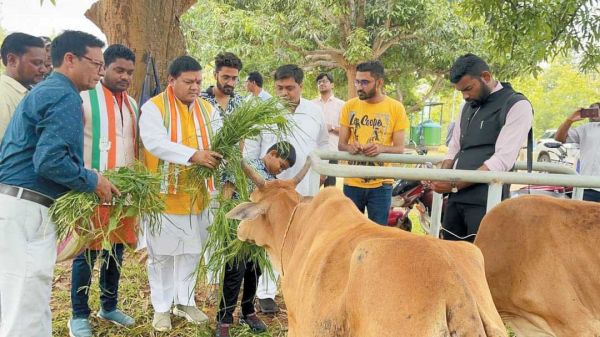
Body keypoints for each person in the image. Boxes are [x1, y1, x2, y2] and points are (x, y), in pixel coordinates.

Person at [0, 30, 115, 337]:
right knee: (23, 303)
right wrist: (93, 180)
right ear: (70, 59)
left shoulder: (45, 91)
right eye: (96, 63)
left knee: (26, 299)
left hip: (16, 205)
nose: (100, 72)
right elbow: (50, 160)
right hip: (27, 209)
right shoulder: (63, 94)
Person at [139, 55, 222, 332]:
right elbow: (154, 143)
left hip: (198, 195)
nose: (195, 86)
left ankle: (184, 301)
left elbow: (220, 139)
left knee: (191, 251)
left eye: (198, 81)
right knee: (161, 255)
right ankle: (162, 307)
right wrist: (193, 155)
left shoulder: (208, 110)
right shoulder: (154, 108)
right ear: (171, 81)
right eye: (188, 81)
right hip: (163, 194)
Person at [245, 64, 329, 314]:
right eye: (279, 88)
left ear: (301, 87)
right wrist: (255, 182)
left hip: (305, 187)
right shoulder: (263, 112)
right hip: (271, 191)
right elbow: (251, 150)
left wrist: (322, 170)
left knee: (304, 235)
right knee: (273, 236)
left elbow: (323, 144)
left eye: (290, 88)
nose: (284, 93)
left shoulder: (314, 112)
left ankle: (301, 285)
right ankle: (266, 292)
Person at [68, 44, 138, 337]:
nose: (124, 76)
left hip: (124, 194)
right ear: (103, 68)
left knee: (115, 252)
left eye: (130, 72)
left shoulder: (133, 104)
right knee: (86, 254)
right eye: (118, 70)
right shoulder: (83, 99)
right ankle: (78, 315)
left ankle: (109, 306)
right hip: (90, 190)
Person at [431, 53, 533, 242]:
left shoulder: (517, 105)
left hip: (487, 201)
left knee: (482, 261)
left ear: (486, 77)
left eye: (469, 88)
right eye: (461, 91)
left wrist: (454, 183)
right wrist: (443, 174)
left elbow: (502, 160)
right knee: (452, 255)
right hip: (455, 199)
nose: (466, 96)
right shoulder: (466, 106)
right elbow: (455, 146)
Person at [215, 141, 297, 337]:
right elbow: (227, 190)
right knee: (234, 273)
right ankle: (224, 320)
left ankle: (248, 312)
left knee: (254, 272)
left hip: (259, 233)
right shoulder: (248, 165)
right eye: (282, 166)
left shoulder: (273, 180)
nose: (281, 171)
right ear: (272, 154)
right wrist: (223, 220)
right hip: (238, 228)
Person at [338, 60, 409, 225]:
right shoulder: (349, 106)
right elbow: (341, 145)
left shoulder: (396, 108)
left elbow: (399, 148)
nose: (359, 87)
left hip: (381, 184)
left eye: (365, 82)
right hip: (352, 181)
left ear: (379, 82)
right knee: (350, 231)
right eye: (357, 81)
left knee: (378, 232)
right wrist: (351, 146)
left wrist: (380, 148)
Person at [0, 32, 47, 138]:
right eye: (36, 63)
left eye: (44, 64)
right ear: (12, 60)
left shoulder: (28, 93)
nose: (44, 69)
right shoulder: (3, 96)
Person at [555, 102, 600, 201]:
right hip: (586, 187)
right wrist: (569, 120)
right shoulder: (586, 129)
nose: (592, 114)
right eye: (590, 111)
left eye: (596, 111)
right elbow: (559, 138)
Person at [312, 72, 345, 187]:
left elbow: (347, 131)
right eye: (319, 82)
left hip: (332, 151)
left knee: (330, 188)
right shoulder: (311, 105)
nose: (322, 83)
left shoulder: (342, 105)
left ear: (332, 85)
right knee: (312, 186)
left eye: (325, 81)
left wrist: (330, 127)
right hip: (314, 151)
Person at [201, 52, 244, 117]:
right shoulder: (200, 100)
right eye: (226, 77)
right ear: (215, 75)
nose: (230, 83)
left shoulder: (240, 102)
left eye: (234, 78)